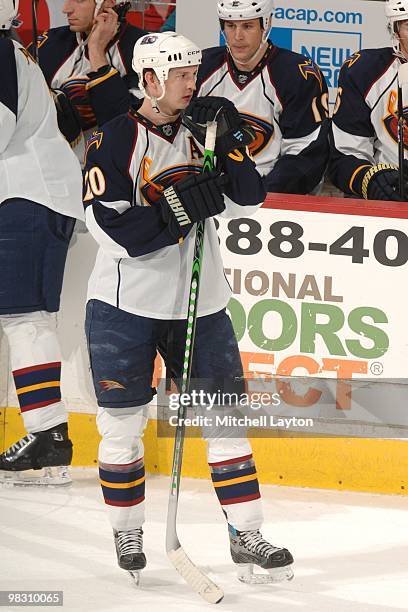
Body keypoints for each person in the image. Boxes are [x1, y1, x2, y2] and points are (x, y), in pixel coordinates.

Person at [83, 31, 294, 584]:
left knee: (225, 420)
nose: (190, 83)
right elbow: (112, 226)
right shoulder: (113, 138)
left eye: (193, 72)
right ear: (148, 80)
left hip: (202, 304)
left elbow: (249, 194)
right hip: (124, 305)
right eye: (178, 75)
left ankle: (246, 532)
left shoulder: (205, 129)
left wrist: (228, 143)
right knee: (122, 428)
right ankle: (127, 530)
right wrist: (174, 214)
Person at [0, 0, 84, 486]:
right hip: (29, 193)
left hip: (29, 194)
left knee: (26, 316)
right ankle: (46, 435)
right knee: (23, 316)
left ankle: (47, 437)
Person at [195, 0, 329, 195]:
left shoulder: (297, 74)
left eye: (248, 26)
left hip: (270, 193)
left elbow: (305, 155)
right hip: (211, 192)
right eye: (230, 26)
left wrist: (257, 195)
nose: (237, 36)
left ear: (266, 24)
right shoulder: (201, 67)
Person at [30, 0, 147, 159]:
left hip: (111, 168)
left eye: (79, 0)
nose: (66, 9)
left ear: (109, 3)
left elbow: (126, 128)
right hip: (53, 166)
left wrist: (96, 51)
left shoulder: (144, 50)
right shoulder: (49, 42)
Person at [328, 0, 408, 201]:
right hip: (391, 197)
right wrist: (372, 181)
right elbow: (344, 156)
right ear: (395, 29)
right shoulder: (365, 71)